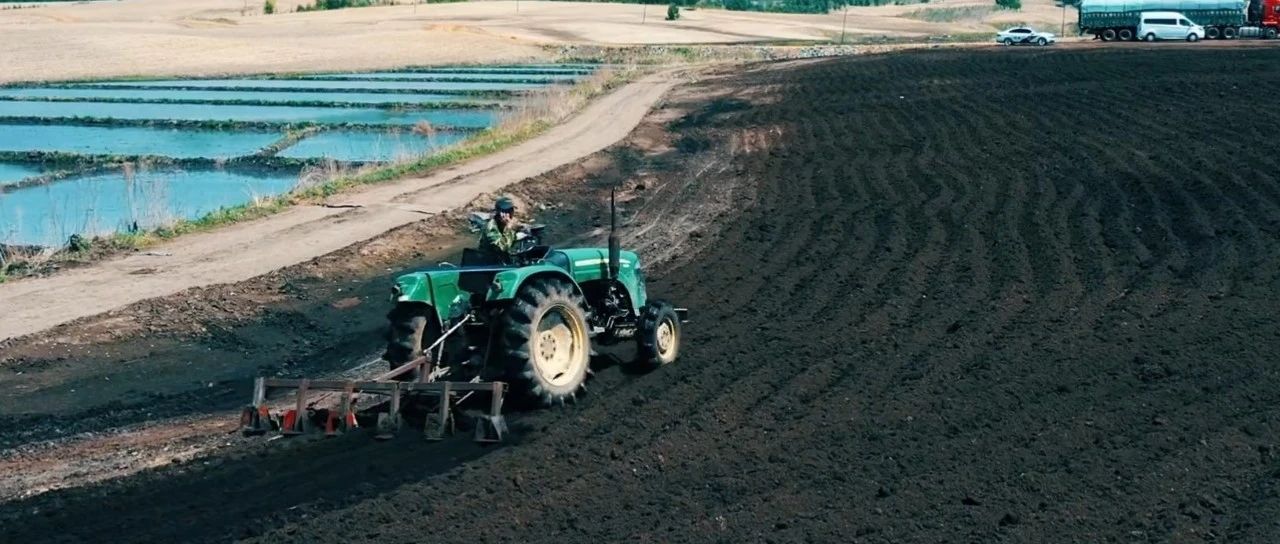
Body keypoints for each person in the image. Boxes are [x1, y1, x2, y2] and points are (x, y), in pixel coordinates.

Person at [477, 196, 523, 263]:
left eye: (511, 210)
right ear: (501, 213)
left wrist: (517, 235)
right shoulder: (491, 227)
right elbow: (503, 247)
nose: (511, 214)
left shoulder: (504, 223)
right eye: (508, 211)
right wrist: (508, 228)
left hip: (501, 259)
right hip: (490, 263)